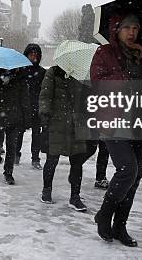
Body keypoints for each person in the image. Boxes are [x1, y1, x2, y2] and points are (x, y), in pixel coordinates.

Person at [90, 13, 142, 246]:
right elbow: (99, 82)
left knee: (136, 176)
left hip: (139, 119)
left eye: (136, 29)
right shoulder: (104, 53)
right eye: (127, 28)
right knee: (127, 169)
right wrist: (128, 76)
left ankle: (120, 226)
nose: (132, 33)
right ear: (116, 30)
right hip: (113, 118)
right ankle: (104, 214)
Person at [38, 64, 91, 211]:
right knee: (52, 159)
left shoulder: (82, 75)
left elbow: (87, 98)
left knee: (77, 161)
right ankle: (46, 190)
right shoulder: (53, 73)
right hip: (57, 123)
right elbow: (45, 95)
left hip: (77, 124)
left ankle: (75, 197)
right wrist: (45, 114)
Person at [16, 43, 46, 169]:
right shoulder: (20, 71)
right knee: (19, 133)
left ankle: (35, 158)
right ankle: (15, 156)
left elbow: (45, 91)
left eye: (36, 54)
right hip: (22, 108)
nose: (34, 56)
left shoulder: (42, 72)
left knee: (36, 134)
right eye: (31, 54)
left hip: (36, 107)